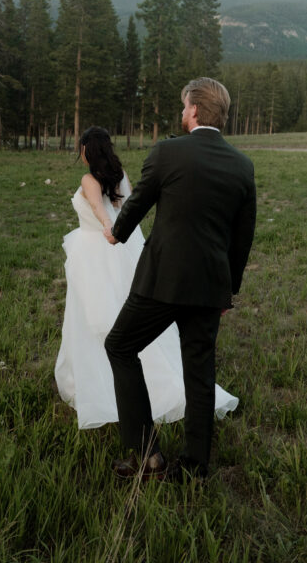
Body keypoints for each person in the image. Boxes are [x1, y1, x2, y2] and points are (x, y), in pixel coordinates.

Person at [103, 77, 257, 481]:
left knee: (120, 346)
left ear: (193, 110)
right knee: (200, 374)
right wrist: (228, 291)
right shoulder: (242, 165)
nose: (181, 111)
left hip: (163, 282)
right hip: (210, 286)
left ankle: (146, 453)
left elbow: (139, 201)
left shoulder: (167, 151)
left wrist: (116, 232)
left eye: (183, 106)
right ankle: (194, 467)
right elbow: (242, 239)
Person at [54, 125, 239, 430]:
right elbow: (127, 207)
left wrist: (108, 230)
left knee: (94, 318)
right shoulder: (120, 175)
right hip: (124, 251)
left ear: (88, 150)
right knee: (115, 311)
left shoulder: (89, 179)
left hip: (96, 250)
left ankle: (101, 381)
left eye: (81, 147)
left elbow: (102, 212)